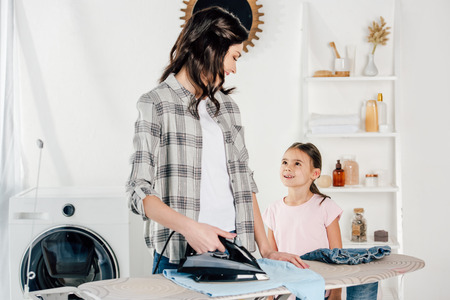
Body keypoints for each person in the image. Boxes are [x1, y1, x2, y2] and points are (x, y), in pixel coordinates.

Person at [126, 6, 306, 274]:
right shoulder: (156, 103)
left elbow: (245, 181)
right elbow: (138, 190)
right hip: (180, 252)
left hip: (234, 247)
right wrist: (191, 228)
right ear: (211, 49)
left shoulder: (228, 108)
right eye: (234, 56)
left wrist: (267, 249)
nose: (234, 68)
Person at [262, 142, 343, 300]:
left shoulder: (325, 206)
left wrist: (337, 293)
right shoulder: (273, 210)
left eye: (297, 163)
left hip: (319, 289)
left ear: (315, 173)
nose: (288, 167)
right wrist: (270, 296)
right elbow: (271, 260)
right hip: (285, 291)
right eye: (285, 162)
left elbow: (339, 256)